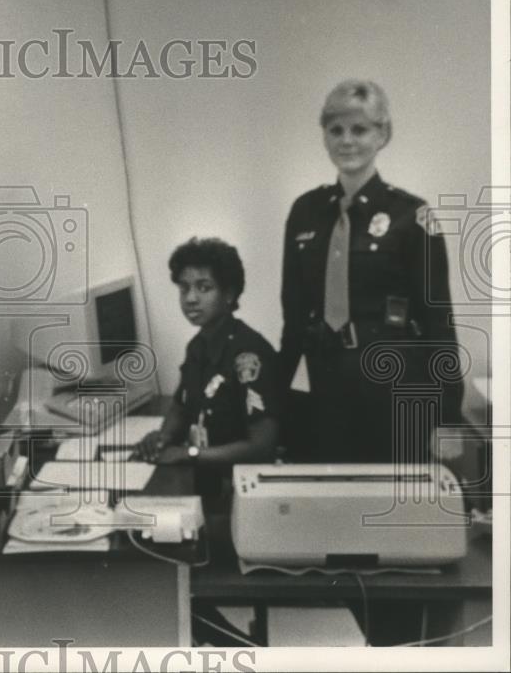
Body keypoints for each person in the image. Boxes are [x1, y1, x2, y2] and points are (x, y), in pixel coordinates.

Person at [278, 80, 464, 465]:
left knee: (393, 505)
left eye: (359, 129)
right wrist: (279, 398)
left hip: (395, 386)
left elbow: (438, 320)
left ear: (383, 135)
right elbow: (293, 315)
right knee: (336, 502)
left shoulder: (412, 215)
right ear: (325, 136)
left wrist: (448, 416)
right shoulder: (305, 212)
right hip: (326, 384)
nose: (347, 141)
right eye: (336, 130)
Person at [133, 238, 280, 500]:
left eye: (204, 288)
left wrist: (188, 454)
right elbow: (181, 404)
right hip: (204, 476)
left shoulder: (248, 355)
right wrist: (161, 438)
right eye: (184, 288)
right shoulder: (198, 346)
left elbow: (262, 446)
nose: (190, 299)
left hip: (240, 489)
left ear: (229, 294)